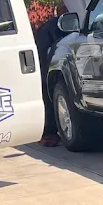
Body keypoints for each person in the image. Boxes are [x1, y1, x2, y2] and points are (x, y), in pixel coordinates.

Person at [33, 13, 65, 146]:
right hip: (46, 63)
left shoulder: (46, 29)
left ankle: (48, 132)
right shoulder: (52, 27)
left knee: (46, 92)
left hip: (44, 62)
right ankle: (48, 132)